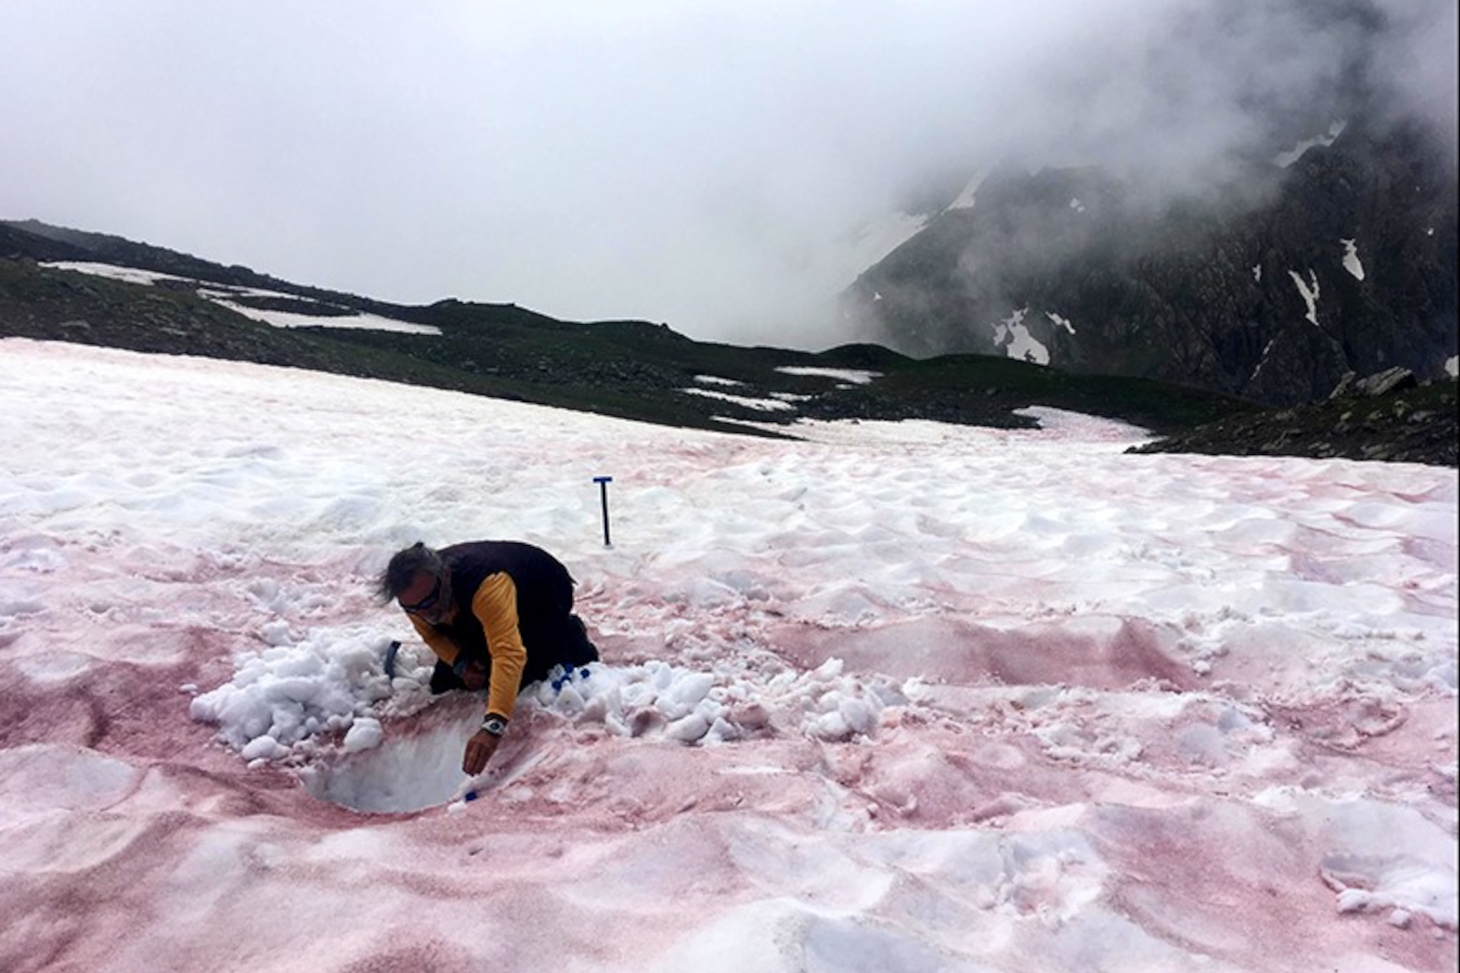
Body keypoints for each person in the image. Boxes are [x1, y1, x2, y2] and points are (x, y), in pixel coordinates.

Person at [377, 540, 599, 775]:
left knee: (526, 676)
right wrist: (461, 663)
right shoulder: (417, 597)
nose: (425, 614)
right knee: (446, 683)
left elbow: (508, 654)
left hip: (541, 592)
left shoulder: (486, 584)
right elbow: (432, 635)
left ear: (446, 576)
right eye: (413, 609)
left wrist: (493, 726)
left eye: (430, 602)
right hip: (472, 607)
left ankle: (570, 635)